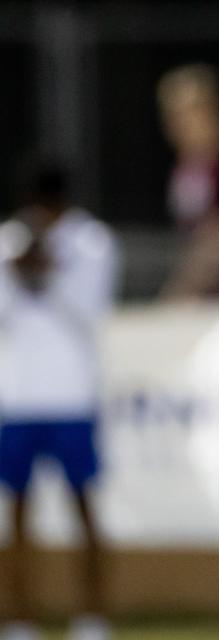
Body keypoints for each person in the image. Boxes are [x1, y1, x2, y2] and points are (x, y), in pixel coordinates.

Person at [0, 163, 118, 640]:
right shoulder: (7, 239)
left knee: (83, 507)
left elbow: (91, 311)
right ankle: (20, 618)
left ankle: (92, 617)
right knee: (17, 512)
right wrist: (18, 272)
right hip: (18, 397)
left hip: (72, 395)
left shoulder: (92, 241)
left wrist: (48, 274)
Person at [156, 63, 219, 298]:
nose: (181, 125)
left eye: (192, 113)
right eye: (173, 116)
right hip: (195, 282)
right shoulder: (184, 167)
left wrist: (185, 289)